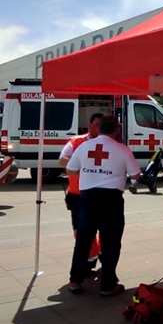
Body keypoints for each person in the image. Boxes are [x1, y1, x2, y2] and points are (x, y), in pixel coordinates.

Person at [65, 115, 140, 296]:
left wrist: (90, 171)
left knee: (83, 239)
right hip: (111, 199)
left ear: (99, 128)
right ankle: (107, 285)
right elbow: (136, 175)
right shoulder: (122, 149)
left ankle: (75, 280)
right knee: (111, 242)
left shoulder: (84, 147)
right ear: (116, 130)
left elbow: (70, 169)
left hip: (88, 198)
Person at [60, 113, 103, 275]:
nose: (99, 127)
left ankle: (101, 258)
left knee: (104, 229)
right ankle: (88, 260)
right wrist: (81, 166)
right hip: (78, 195)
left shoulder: (110, 143)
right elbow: (62, 160)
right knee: (81, 231)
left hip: (100, 194)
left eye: (102, 124)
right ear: (90, 125)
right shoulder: (77, 142)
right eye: (97, 124)